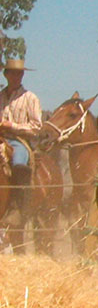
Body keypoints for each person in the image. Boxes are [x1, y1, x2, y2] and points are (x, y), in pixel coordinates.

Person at [1, 58, 43, 219]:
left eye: (19, 73)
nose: (17, 76)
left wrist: (12, 126)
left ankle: (18, 205)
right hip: (1, 139)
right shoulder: (0, 96)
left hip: (20, 141)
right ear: (6, 75)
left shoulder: (30, 98)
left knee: (18, 163)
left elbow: (36, 127)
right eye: (13, 73)